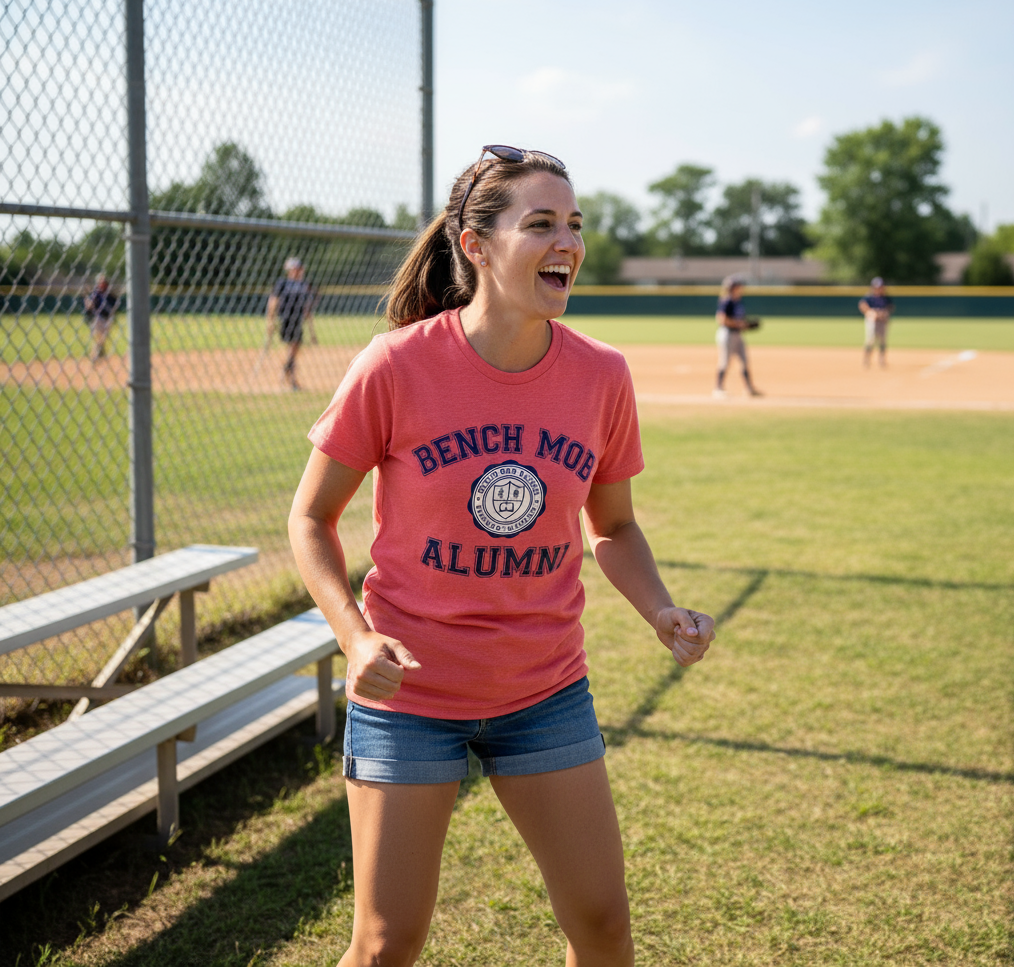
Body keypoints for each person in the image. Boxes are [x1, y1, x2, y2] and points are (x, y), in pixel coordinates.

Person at [288, 146, 717, 967]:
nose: (568, 243)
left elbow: (615, 527)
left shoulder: (601, 375)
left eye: (576, 225)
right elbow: (311, 518)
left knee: (601, 926)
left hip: (543, 691)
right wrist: (355, 638)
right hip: (411, 694)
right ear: (476, 246)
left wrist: (659, 607)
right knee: (386, 943)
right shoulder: (396, 365)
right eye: (542, 224)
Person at [267, 256, 314, 389]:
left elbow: (307, 307)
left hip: (297, 320)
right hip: (286, 319)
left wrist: (312, 330)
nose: (299, 271)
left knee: (294, 347)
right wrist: (271, 321)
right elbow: (273, 301)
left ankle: (287, 371)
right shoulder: (283, 283)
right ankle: (289, 376)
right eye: (296, 269)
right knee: (292, 347)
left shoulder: (303, 284)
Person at [713, 274, 761, 397]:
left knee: (744, 361)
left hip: (738, 335)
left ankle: (749, 389)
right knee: (724, 362)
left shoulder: (738, 301)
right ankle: (718, 388)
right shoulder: (727, 301)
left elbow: (740, 319)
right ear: (733, 287)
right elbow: (721, 319)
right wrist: (739, 324)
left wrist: (746, 325)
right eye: (738, 285)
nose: (741, 287)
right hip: (727, 334)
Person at [858, 276, 894, 368]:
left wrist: (884, 313)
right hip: (872, 321)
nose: (879, 288)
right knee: (870, 340)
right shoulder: (870, 297)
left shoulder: (885, 298)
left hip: (882, 322)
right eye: (877, 286)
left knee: (882, 341)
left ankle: (882, 360)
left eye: (880, 286)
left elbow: (890, 307)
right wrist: (870, 312)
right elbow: (862, 305)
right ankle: (866, 360)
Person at [83, 272, 118, 362]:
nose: (102, 284)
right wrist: (89, 304)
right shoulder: (95, 294)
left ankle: (100, 352)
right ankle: (95, 355)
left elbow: (115, 306)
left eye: (104, 282)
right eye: (100, 282)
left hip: (107, 319)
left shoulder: (110, 294)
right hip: (98, 318)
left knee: (103, 338)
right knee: (98, 337)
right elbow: (89, 308)